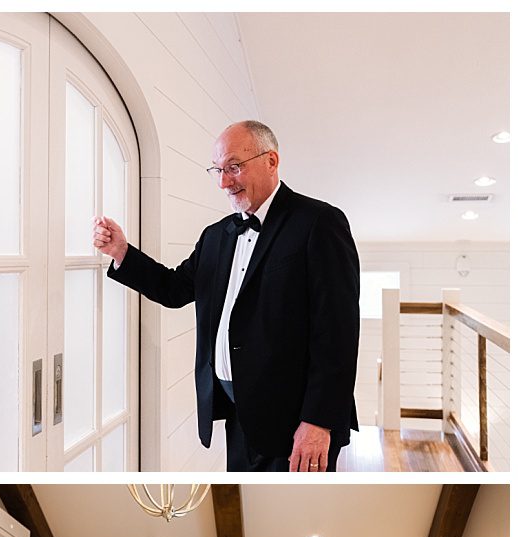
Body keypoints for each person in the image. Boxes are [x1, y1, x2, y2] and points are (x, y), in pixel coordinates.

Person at [92, 120, 359, 472]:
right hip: (239, 413)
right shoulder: (216, 236)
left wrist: (318, 422)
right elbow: (174, 289)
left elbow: (337, 331)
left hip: (298, 422)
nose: (223, 182)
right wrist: (122, 251)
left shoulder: (319, 223)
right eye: (217, 170)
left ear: (271, 161)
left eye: (234, 167)